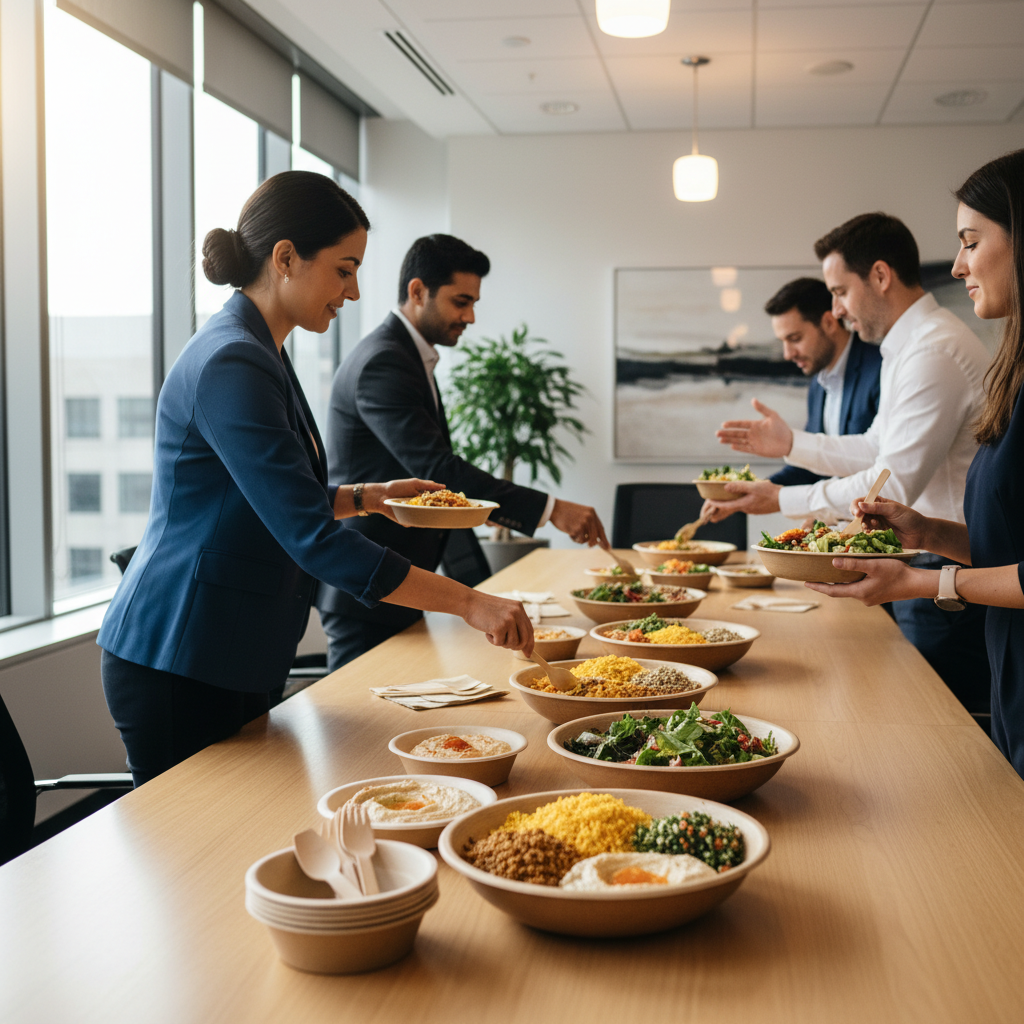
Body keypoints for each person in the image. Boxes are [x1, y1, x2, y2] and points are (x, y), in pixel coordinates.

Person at [97, 174, 534, 786]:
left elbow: (270, 500)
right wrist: (469, 602)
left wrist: (368, 497)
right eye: (344, 269)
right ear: (284, 258)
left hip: (225, 648)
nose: (353, 292)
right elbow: (308, 535)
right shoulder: (232, 359)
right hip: (181, 652)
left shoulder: (260, 349)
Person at [704, 213, 991, 715]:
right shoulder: (909, 348)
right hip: (930, 562)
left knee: (948, 743)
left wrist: (783, 498)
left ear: (880, 276)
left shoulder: (934, 351)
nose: (835, 309)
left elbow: (892, 482)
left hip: (949, 572)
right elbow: (876, 446)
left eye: (839, 291)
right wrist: (792, 445)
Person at [806, 150, 1024, 775]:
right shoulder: (1006, 364)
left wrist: (924, 578)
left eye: (971, 240)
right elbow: (1007, 542)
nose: (957, 265)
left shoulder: (937, 349)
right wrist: (927, 533)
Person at [315, 234, 608, 671]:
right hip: (368, 587)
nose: (469, 316)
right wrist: (550, 508)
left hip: (397, 580)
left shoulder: (405, 356)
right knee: (365, 727)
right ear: (418, 291)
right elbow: (436, 469)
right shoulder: (384, 361)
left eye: (473, 303)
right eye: (460, 301)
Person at [762, 277, 882, 490]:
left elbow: (881, 463)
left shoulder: (881, 368)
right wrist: (750, 490)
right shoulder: (818, 385)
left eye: (795, 338)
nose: (787, 354)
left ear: (828, 322)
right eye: (783, 342)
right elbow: (811, 465)